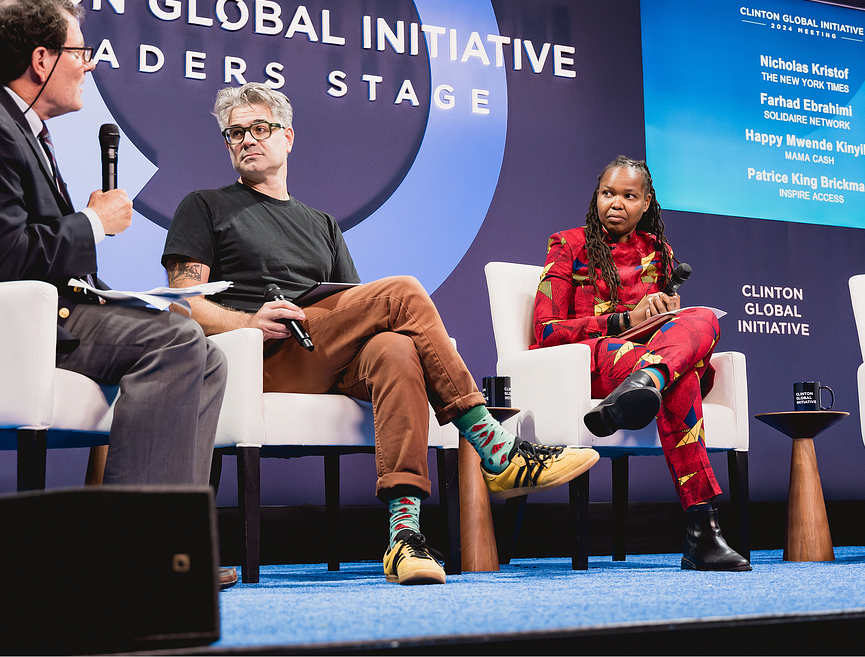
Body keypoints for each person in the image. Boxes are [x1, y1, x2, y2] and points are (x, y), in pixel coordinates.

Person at [161, 82, 598, 585]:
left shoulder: (321, 224)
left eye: (260, 128)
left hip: (325, 350)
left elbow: (351, 304)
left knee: (394, 347)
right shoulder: (205, 205)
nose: (247, 140)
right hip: (256, 357)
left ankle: (404, 537)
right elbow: (183, 303)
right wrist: (250, 322)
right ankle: (495, 448)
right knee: (402, 293)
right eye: (235, 133)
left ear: (288, 137)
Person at [0, 0, 231, 576]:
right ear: (42, 59)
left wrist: (103, 273)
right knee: (179, 344)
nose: (90, 65)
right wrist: (93, 224)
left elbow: (23, 248)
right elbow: (6, 260)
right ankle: (130, 555)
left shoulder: (12, 124)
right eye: (82, 51)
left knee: (208, 356)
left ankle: (175, 546)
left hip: (32, 310)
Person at [532, 156, 750, 571]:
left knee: (700, 319)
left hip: (646, 360)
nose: (615, 203)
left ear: (646, 203)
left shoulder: (658, 252)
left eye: (628, 196)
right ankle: (703, 532)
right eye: (608, 193)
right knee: (679, 375)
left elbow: (672, 327)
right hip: (596, 359)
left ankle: (647, 380)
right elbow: (546, 332)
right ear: (596, 196)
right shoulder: (567, 245)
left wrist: (662, 315)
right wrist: (625, 320)